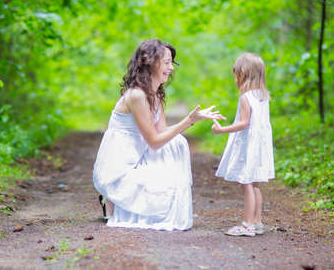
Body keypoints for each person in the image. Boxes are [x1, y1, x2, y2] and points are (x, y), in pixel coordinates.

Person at [93, 39, 225, 231]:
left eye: (172, 63)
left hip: (140, 154)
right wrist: (188, 120)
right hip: (120, 165)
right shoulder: (136, 95)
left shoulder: (155, 94)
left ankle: (125, 200)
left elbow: (163, 133)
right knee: (161, 192)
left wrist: (194, 119)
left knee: (177, 143)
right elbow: (154, 141)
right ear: (151, 62)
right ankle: (111, 197)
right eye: (166, 62)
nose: (171, 68)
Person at [212, 52, 274, 237]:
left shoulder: (246, 97)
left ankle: (247, 224)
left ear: (244, 74)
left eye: (236, 74)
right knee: (255, 184)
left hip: (249, 146)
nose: (234, 79)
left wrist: (221, 129)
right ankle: (257, 222)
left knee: (245, 183)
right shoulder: (263, 97)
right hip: (260, 146)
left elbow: (244, 123)